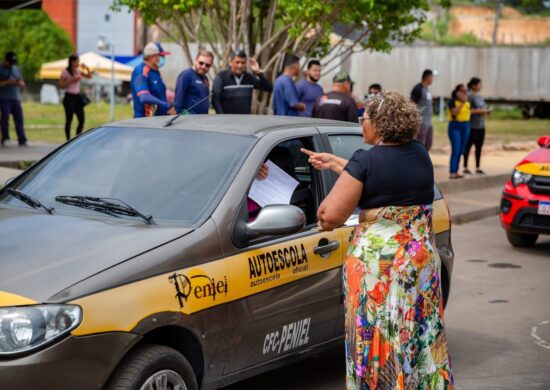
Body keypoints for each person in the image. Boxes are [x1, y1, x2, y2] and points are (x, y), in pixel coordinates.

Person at [301, 92, 454, 389]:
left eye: (364, 119)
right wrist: (336, 163)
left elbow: (330, 215)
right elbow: (384, 172)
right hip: (419, 269)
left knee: (379, 340)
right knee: (416, 336)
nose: (361, 124)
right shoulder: (420, 154)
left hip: (381, 274)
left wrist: (322, 214)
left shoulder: (366, 160)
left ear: (381, 124)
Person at [212, 50, 271, 114]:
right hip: (227, 121)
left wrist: (258, 72)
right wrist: (222, 117)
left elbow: (268, 87)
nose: (240, 66)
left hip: (244, 120)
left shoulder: (249, 78)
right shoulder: (221, 77)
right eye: (237, 62)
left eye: (243, 63)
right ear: (230, 62)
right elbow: (215, 100)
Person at [130, 42, 175, 118]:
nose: (163, 58)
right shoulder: (140, 72)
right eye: (161, 56)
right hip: (144, 121)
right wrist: (167, 106)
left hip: (158, 120)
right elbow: (144, 97)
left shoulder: (156, 72)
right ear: (152, 57)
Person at [59, 54, 93, 140]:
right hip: (69, 97)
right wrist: (71, 80)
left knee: (81, 119)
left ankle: (77, 138)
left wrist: (87, 68)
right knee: (69, 120)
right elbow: (61, 85)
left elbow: (89, 76)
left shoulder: (78, 71)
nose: (78, 63)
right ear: (72, 62)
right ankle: (68, 139)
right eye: (77, 61)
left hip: (77, 97)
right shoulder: (65, 72)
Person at [464, 77, 491, 175]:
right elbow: (469, 110)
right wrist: (483, 111)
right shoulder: (469, 96)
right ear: (473, 85)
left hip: (481, 126)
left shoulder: (480, 97)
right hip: (472, 126)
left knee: (479, 147)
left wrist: (486, 111)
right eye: (479, 84)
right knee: (468, 146)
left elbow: (483, 108)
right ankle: (465, 167)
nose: (481, 86)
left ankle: (477, 167)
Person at [0, 52, 27, 146]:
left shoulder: (16, 69)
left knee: (19, 119)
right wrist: (8, 82)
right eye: (10, 62)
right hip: (4, 98)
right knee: (5, 119)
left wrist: (18, 83)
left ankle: (22, 140)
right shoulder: (0, 68)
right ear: (5, 60)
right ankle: (5, 138)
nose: (11, 64)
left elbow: (23, 83)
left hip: (16, 98)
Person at [174, 50, 213, 115]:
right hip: (189, 119)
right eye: (201, 63)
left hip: (202, 120)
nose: (203, 66)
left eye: (207, 65)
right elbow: (178, 101)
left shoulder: (205, 79)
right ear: (195, 60)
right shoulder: (186, 75)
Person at [448, 84, 471, 179]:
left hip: (465, 126)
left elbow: (469, 112)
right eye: (462, 91)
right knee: (456, 149)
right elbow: (454, 112)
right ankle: (452, 172)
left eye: (465, 91)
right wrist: (462, 103)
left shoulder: (468, 102)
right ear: (457, 92)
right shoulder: (453, 101)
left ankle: (456, 171)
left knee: (461, 150)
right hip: (455, 126)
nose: (464, 93)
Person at [410, 69, 434, 151]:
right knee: (420, 145)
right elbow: (411, 104)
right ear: (428, 77)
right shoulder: (418, 89)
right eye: (432, 77)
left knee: (428, 144)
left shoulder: (427, 89)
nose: (432, 79)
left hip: (429, 122)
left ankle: (424, 161)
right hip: (421, 123)